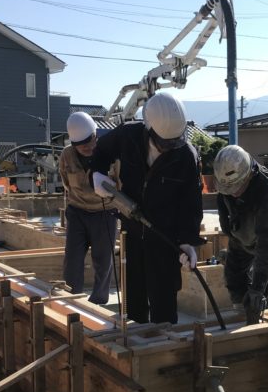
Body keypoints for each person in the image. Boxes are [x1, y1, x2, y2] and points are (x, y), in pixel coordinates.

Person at [91, 91, 203, 324]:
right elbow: (101, 151)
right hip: (132, 230)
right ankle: (136, 344)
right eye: (163, 142)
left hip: (164, 237)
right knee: (134, 300)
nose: (169, 147)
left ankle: (166, 349)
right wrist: (97, 174)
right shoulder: (128, 137)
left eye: (174, 142)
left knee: (164, 304)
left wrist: (187, 241)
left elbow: (191, 203)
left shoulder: (186, 156)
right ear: (148, 128)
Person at [213, 145, 268, 324]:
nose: (232, 193)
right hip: (243, 229)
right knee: (234, 276)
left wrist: (257, 289)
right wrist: (231, 234)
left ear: (247, 176)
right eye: (229, 190)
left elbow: (266, 247)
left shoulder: (267, 194)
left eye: (236, 188)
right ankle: (243, 314)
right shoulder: (226, 183)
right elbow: (223, 212)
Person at [59, 111, 117, 304]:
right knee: (72, 260)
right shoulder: (67, 155)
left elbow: (119, 183)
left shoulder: (110, 153)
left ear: (95, 135)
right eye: (79, 144)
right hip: (77, 212)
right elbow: (66, 181)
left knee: (103, 261)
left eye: (88, 141)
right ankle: (71, 298)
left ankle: (99, 300)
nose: (85, 147)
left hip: (104, 213)